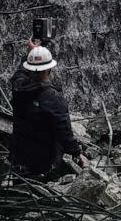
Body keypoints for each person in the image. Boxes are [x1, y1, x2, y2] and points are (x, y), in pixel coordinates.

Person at [9, 38, 86, 177]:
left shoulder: (18, 87)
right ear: (50, 68)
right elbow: (65, 130)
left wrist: (30, 54)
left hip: (18, 156)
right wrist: (76, 153)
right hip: (43, 162)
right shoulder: (53, 97)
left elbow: (20, 73)